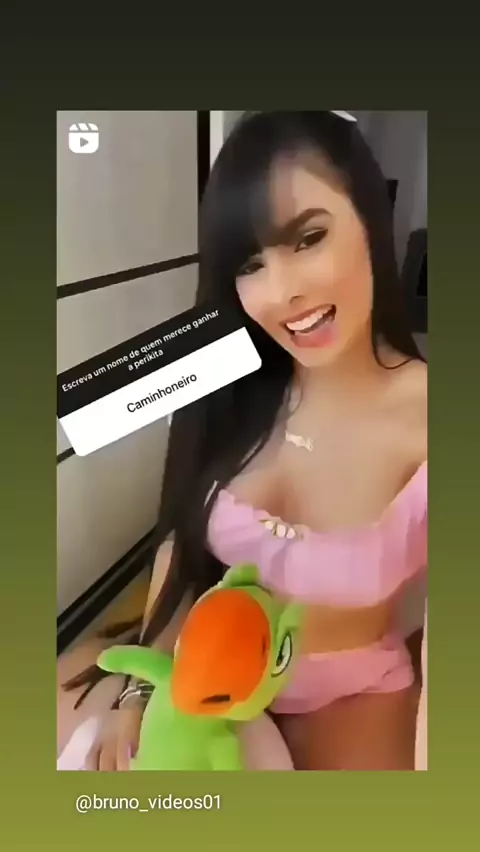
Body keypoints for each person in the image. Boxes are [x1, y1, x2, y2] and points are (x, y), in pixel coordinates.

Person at [58, 111, 427, 770]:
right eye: (251, 263)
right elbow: (180, 544)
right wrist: (142, 688)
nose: (282, 293)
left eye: (309, 238)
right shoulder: (219, 374)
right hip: (199, 664)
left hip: (348, 696)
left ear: (371, 221)